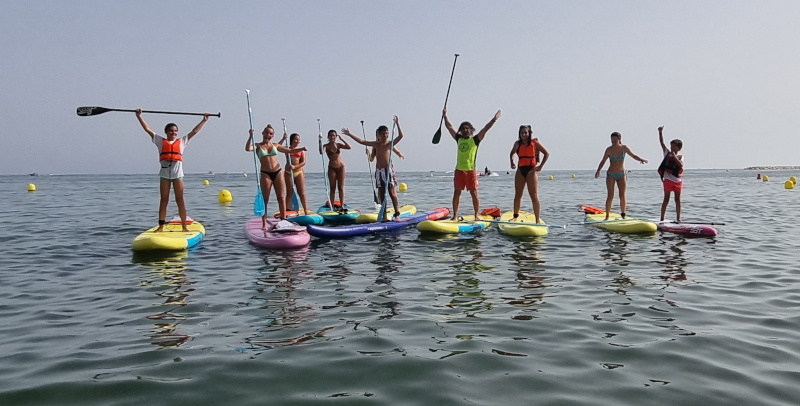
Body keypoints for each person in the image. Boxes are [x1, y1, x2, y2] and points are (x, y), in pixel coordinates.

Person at [135, 108, 210, 232]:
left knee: (180, 200)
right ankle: (161, 226)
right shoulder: (160, 141)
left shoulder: (182, 142)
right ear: (166, 132)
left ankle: (184, 227)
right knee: (164, 200)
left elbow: (194, 132)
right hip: (164, 176)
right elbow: (147, 129)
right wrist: (139, 116)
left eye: (175, 131)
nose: (173, 133)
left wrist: (204, 120)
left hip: (177, 176)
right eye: (171, 131)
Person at [443, 107, 502, 220]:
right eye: (463, 128)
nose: (465, 130)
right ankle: (455, 216)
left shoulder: (475, 140)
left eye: (467, 128)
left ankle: (476, 215)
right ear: (461, 130)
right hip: (459, 170)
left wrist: (494, 119)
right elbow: (449, 127)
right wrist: (445, 116)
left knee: (474, 193)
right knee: (457, 193)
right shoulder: (458, 139)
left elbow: (485, 129)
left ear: (471, 130)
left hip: (471, 171)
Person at [342, 115, 404, 222]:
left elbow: (401, 136)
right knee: (381, 193)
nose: (385, 135)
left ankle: (397, 214)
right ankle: (384, 216)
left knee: (392, 192)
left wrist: (398, 123)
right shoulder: (375, 144)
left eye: (387, 133)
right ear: (378, 135)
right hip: (379, 172)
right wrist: (350, 134)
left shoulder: (390, 144)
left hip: (388, 170)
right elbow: (361, 141)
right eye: (383, 133)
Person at [246, 125, 307, 228]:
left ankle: (284, 220)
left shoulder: (275, 145)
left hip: (278, 172)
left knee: (281, 197)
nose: (268, 135)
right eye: (266, 133)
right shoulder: (257, 146)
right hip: (266, 173)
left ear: (273, 135)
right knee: (265, 199)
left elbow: (289, 151)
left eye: (270, 134)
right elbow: (248, 148)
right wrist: (250, 136)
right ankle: (264, 223)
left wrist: (302, 148)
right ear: (262, 133)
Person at [595, 132, 648, 220]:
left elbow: (633, 155)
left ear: (619, 140)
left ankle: (623, 215)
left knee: (622, 195)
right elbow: (603, 161)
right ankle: (607, 216)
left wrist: (641, 159)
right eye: (612, 141)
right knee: (610, 195)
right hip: (611, 174)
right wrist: (598, 171)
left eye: (615, 140)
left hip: (621, 174)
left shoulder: (624, 148)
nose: (613, 142)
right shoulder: (609, 149)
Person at [509, 125, 550, 224]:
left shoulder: (535, 143)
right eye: (522, 133)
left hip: (531, 171)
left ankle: (537, 219)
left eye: (526, 133)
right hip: (520, 170)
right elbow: (512, 153)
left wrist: (540, 167)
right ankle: (515, 216)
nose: (524, 135)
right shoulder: (517, 144)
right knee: (518, 194)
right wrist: (512, 162)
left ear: (529, 133)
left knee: (534, 195)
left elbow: (546, 153)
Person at [278, 132, 310, 216]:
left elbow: (303, 162)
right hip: (288, 172)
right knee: (289, 192)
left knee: (301, 192)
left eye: (299, 139)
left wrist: (295, 167)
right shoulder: (287, 149)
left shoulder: (301, 151)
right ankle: (287, 210)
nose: (298, 141)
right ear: (292, 140)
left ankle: (306, 210)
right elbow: (277, 147)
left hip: (298, 172)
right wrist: (283, 138)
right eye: (296, 139)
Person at [318, 129, 351, 210]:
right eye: (331, 135)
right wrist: (319, 141)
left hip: (341, 167)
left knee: (341, 187)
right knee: (332, 187)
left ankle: (342, 205)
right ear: (328, 137)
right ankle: (332, 205)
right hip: (332, 168)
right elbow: (321, 152)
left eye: (334, 135)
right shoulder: (326, 146)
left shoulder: (338, 145)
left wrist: (342, 139)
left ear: (336, 136)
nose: (332, 137)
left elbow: (349, 147)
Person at [657, 126, 684, 221]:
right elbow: (661, 143)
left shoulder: (680, 157)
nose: (672, 147)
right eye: (671, 146)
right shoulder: (667, 153)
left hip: (677, 181)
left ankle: (678, 218)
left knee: (677, 199)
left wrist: (674, 156)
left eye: (674, 146)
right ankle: (662, 218)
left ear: (679, 148)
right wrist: (660, 132)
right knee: (666, 199)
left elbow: (680, 165)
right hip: (668, 180)